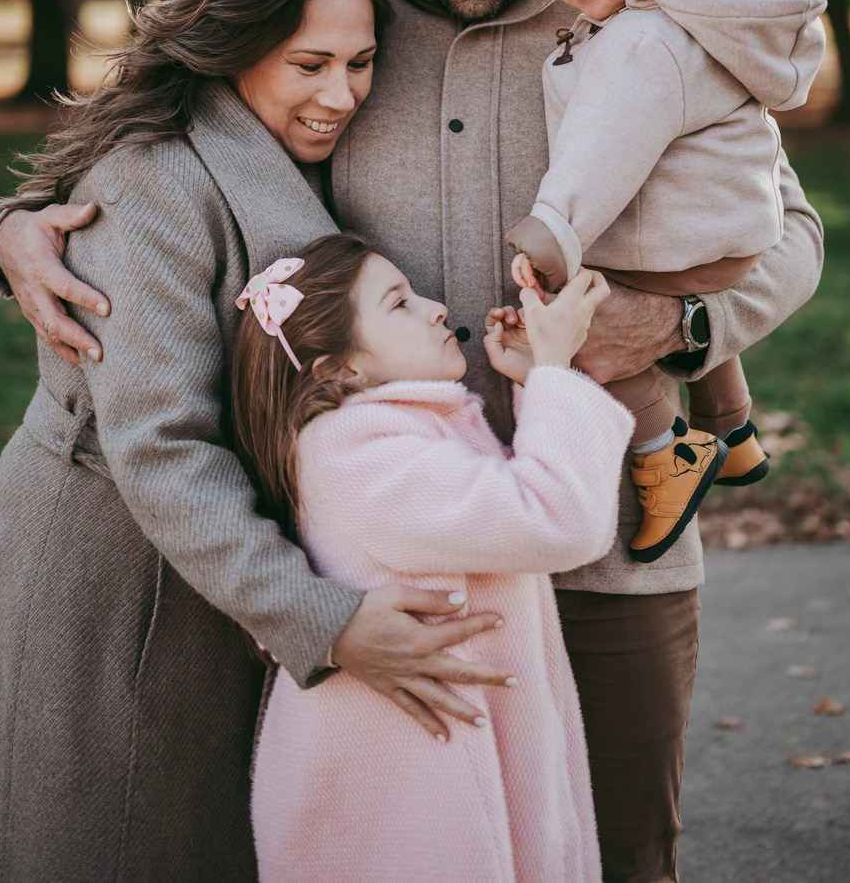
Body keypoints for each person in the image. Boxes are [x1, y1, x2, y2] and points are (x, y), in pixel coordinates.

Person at [0, 0, 825, 883]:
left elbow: (789, 232)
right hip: (391, 558)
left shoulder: (635, 5)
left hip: (607, 538)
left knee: (618, 851)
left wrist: (682, 334)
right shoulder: (331, 10)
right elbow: (162, 135)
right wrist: (22, 222)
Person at [0, 0, 516, 883]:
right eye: (308, 65)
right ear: (236, 47)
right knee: (109, 838)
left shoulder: (284, 146)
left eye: (359, 61)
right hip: (121, 575)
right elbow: (163, 447)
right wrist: (321, 618)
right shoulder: (157, 182)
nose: (341, 93)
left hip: (215, 568)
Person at [231, 234, 633, 882]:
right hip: (410, 788)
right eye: (400, 303)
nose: (438, 308)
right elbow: (554, 520)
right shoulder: (356, 452)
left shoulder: (412, 430)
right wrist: (558, 367)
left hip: (456, 751)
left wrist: (536, 383)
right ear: (339, 369)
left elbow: (508, 514)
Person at [506, 0, 827, 562]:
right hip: (727, 237)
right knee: (650, 288)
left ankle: (665, 453)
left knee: (580, 324)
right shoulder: (702, 10)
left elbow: (601, 152)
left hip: (681, 247)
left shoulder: (644, 40)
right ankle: (736, 433)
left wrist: (553, 230)